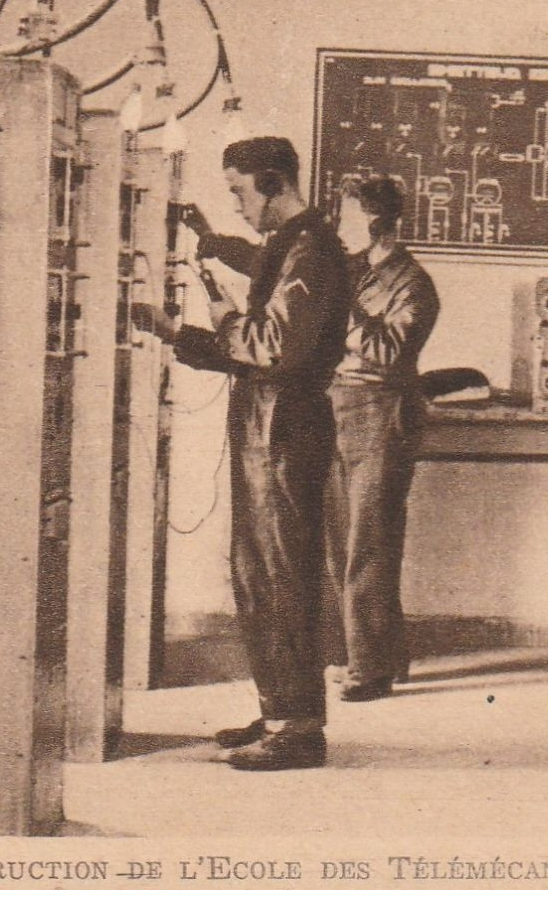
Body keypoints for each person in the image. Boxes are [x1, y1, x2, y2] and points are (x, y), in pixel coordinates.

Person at [132, 136, 348, 771]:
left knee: (282, 574)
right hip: (268, 423)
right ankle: (280, 707)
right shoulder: (294, 248)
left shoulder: (312, 251)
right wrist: (186, 334)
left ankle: (300, 729)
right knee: (259, 573)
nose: (236, 206)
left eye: (239, 192)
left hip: (285, 427)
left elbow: (274, 347)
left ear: (274, 183)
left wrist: (198, 330)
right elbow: (257, 330)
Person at [323, 177, 439, 702]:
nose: (336, 227)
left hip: (380, 414)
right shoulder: (354, 271)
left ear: (372, 222)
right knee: (342, 538)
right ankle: (379, 654)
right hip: (338, 408)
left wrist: (340, 310)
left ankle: (369, 669)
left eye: (344, 217)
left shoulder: (413, 283)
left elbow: (388, 351)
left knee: (367, 544)